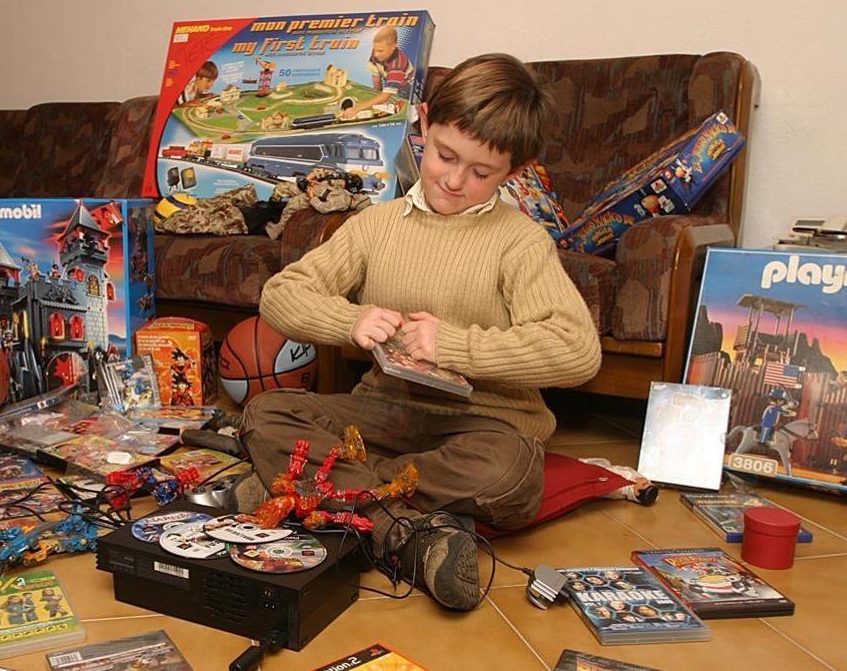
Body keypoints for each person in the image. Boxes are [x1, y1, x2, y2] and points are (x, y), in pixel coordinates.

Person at [240, 54, 600, 611]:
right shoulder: (375, 226)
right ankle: (409, 536)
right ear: (424, 123)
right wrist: (350, 320)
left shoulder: (520, 241)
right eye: (444, 155)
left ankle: (310, 490)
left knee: (514, 476)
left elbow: (578, 351)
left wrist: (457, 345)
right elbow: (281, 296)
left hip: (483, 424)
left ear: (516, 170)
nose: (455, 181)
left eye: (482, 173)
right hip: (382, 416)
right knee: (266, 413)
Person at [338, 27, 415, 120]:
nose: (375, 54)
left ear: (393, 47)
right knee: (381, 101)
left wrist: (358, 108)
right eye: (375, 49)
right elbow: (376, 77)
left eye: (380, 51)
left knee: (402, 107)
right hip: (391, 83)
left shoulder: (397, 65)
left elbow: (386, 96)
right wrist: (377, 97)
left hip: (407, 88)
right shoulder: (377, 54)